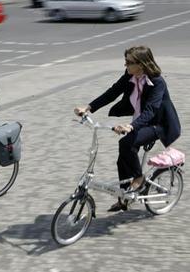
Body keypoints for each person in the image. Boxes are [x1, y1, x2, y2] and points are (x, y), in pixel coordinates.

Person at [74, 46, 180, 212]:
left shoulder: (158, 82)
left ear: (141, 64)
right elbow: (113, 92)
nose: (126, 65)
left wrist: (131, 126)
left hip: (159, 124)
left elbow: (151, 110)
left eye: (129, 62)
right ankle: (124, 198)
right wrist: (88, 107)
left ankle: (139, 177)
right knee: (122, 158)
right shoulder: (130, 75)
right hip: (140, 121)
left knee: (126, 143)